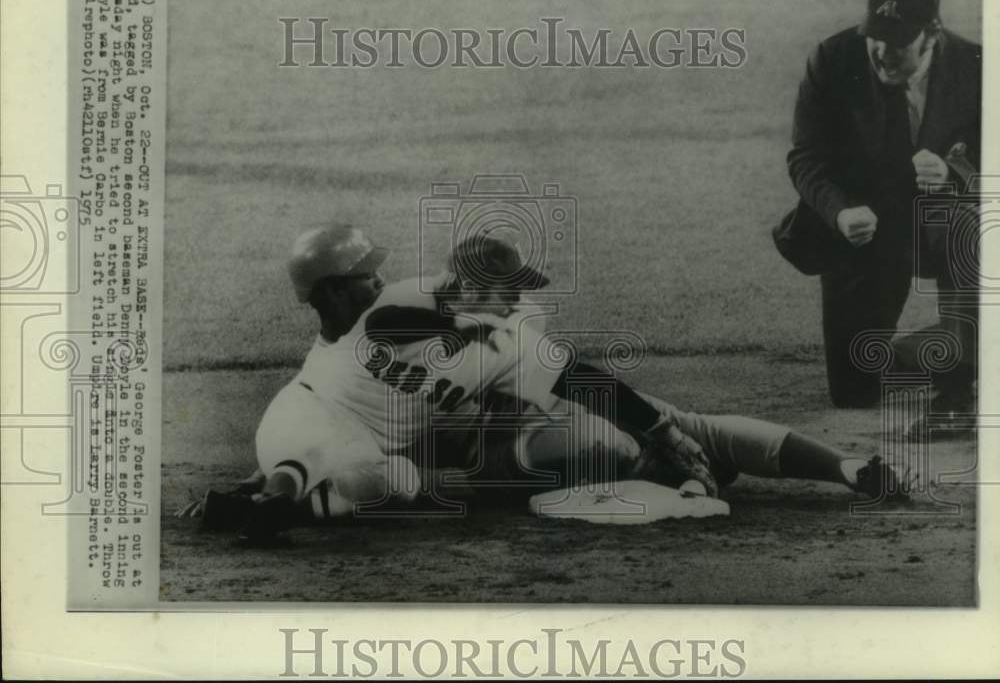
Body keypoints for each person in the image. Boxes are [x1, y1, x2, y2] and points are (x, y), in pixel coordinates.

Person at [192, 225, 910, 542]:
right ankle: (275, 493)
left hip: (401, 443)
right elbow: (397, 317)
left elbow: (579, 374)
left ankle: (848, 467)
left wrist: (659, 431)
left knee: (387, 479)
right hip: (313, 414)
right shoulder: (396, 306)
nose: (517, 300)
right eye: (502, 291)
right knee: (374, 475)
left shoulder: (506, 334)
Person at [783, 0, 980, 411]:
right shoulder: (832, 60)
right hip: (866, 228)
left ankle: (959, 373)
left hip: (943, 225)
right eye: (876, 36)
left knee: (969, 220)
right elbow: (806, 157)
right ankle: (968, 348)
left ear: (932, 34)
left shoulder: (977, 66)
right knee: (855, 390)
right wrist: (839, 212)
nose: (882, 53)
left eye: (898, 43)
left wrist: (955, 173)